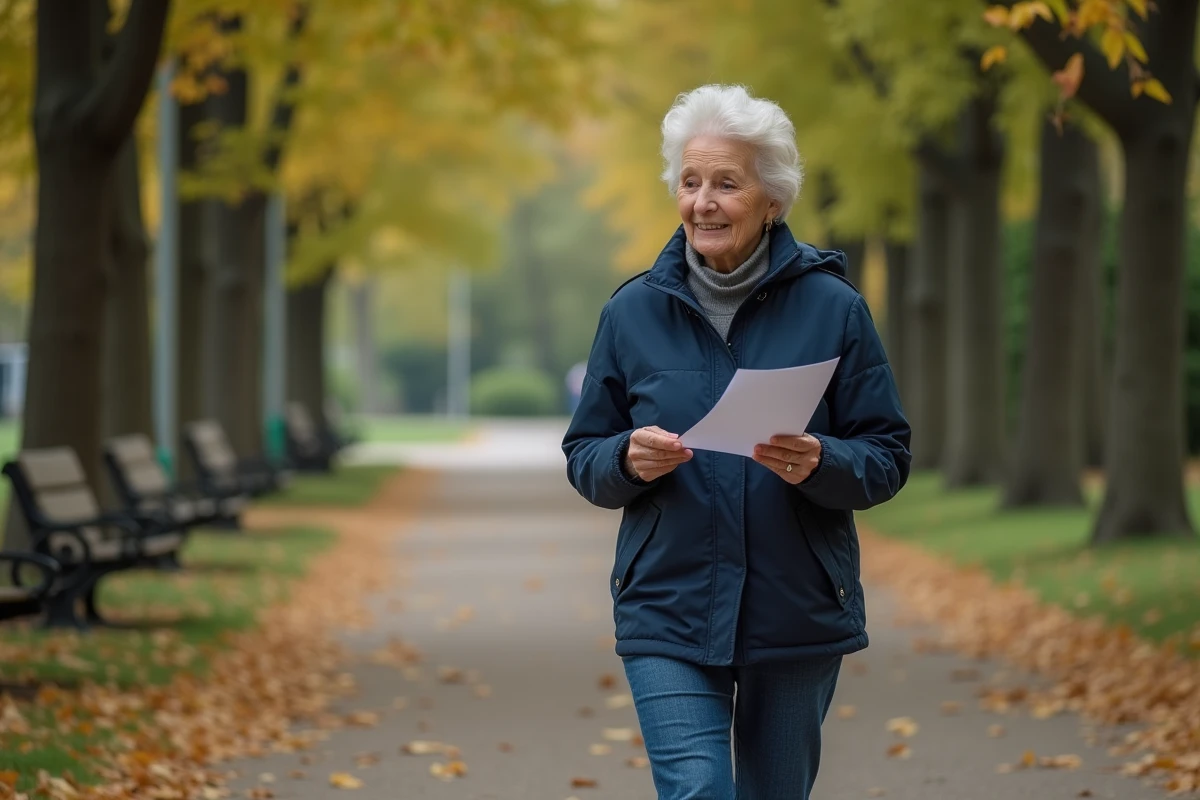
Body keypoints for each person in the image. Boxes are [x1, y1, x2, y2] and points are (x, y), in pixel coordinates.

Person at [561, 85, 911, 800]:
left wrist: (823, 460)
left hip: (797, 607)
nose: (704, 202)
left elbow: (886, 454)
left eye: (727, 183)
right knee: (699, 791)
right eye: (691, 183)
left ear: (772, 199)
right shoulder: (631, 312)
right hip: (667, 605)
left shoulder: (835, 309)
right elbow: (585, 455)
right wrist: (626, 457)